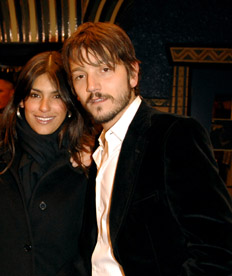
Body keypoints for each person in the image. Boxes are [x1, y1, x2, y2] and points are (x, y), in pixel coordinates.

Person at [62, 22, 232, 275]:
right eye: (80, 75)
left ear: (133, 73)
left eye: (105, 69)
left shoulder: (173, 135)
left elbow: (219, 251)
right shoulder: (100, 152)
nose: (92, 86)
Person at [0, 51, 95, 275]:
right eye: (35, 95)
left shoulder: (88, 165)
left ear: (71, 105)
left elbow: (94, 246)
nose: (44, 107)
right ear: (22, 101)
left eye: (56, 96)